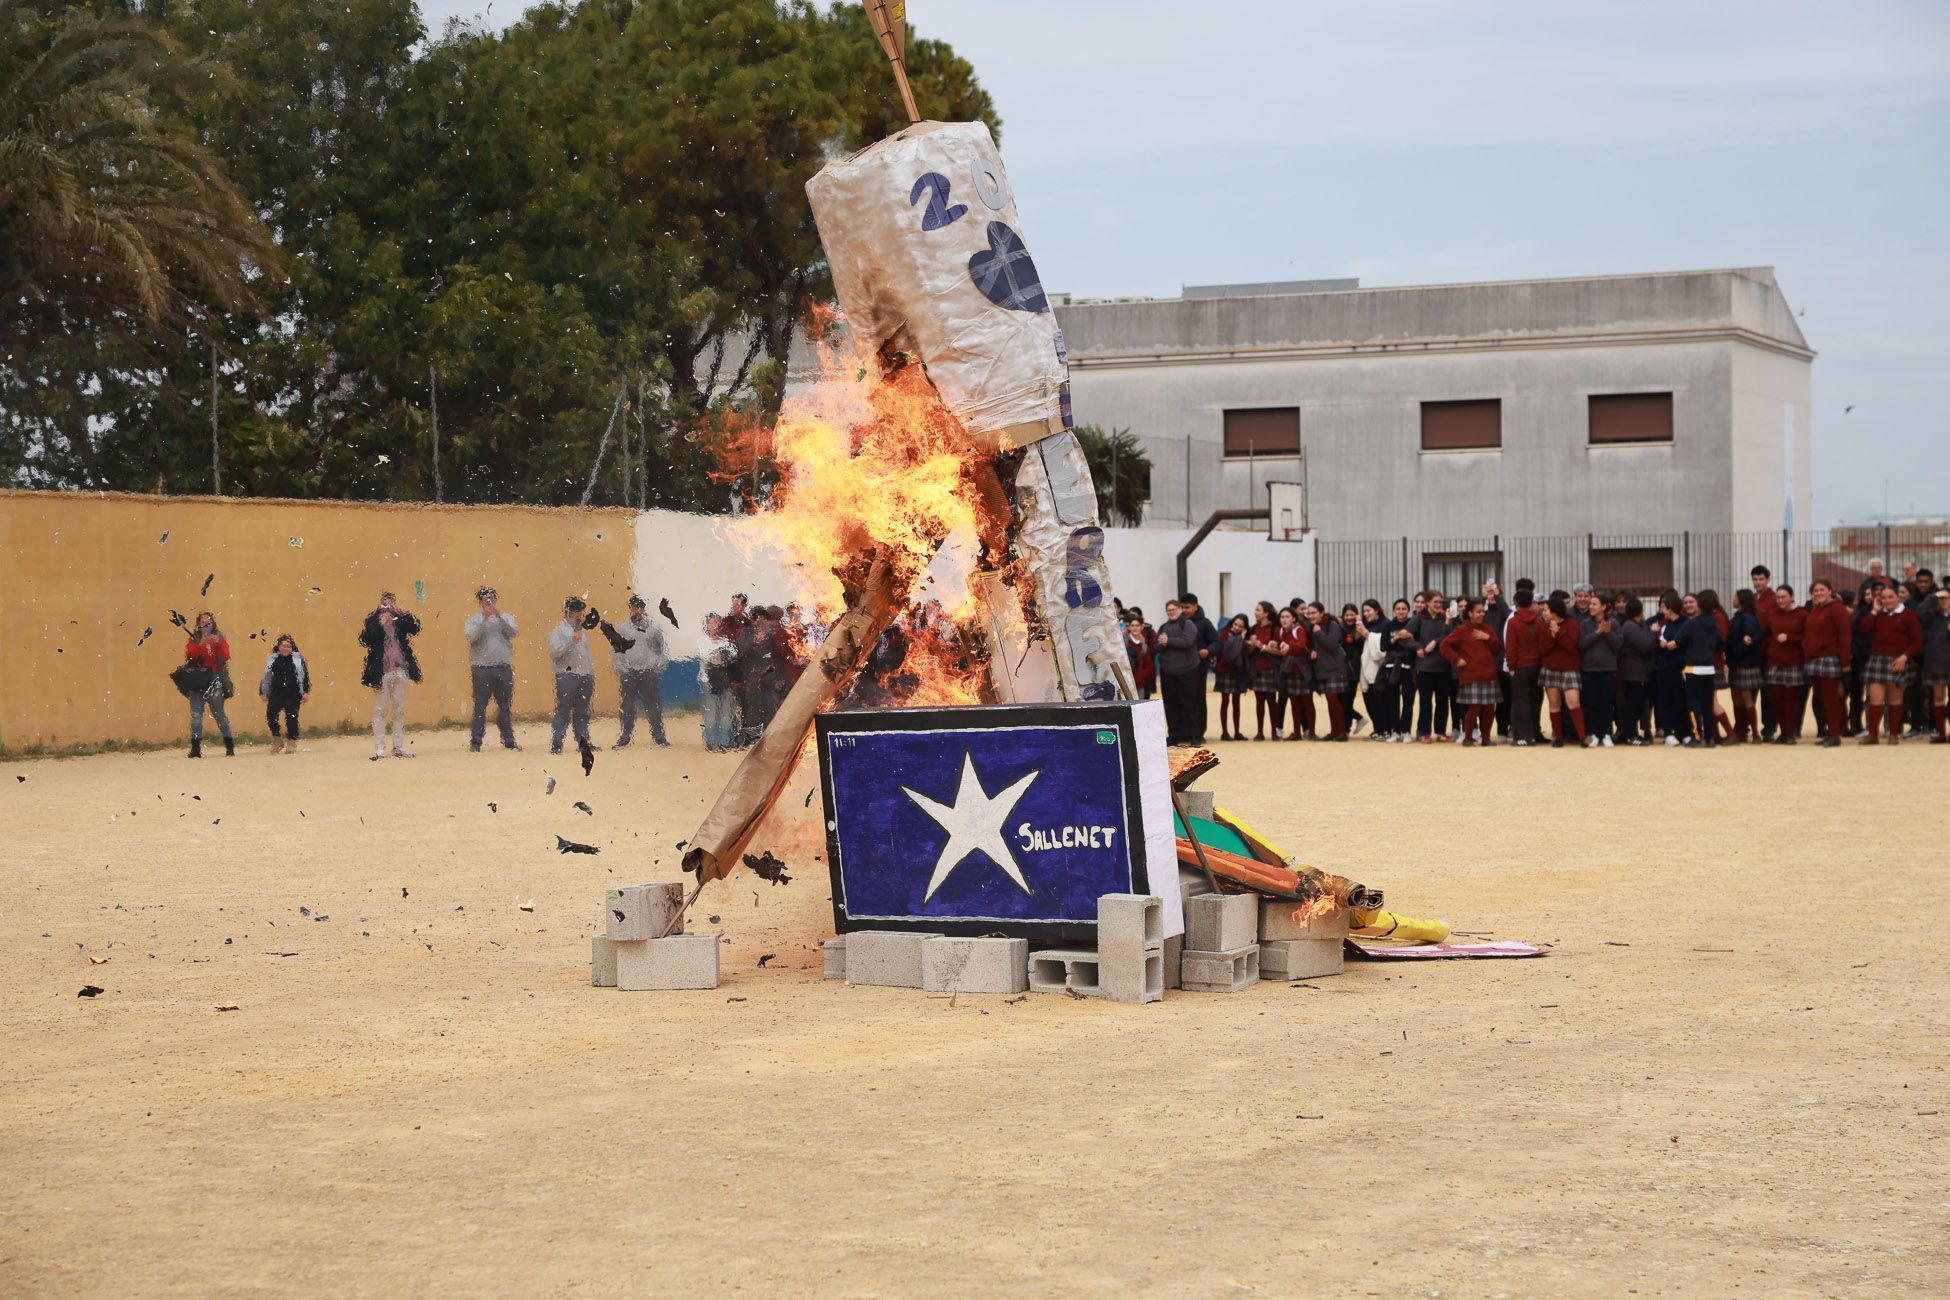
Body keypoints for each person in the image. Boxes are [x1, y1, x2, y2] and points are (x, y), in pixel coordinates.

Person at [359, 592, 421, 760]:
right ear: (380, 604)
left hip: (400, 668)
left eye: (391, 603)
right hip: (382, 671)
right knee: (380, 710)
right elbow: (364, 640)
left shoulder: (400, 619)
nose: (388, 607)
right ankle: (380, 749)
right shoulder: (372, 619)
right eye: (385, 604)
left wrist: (405, 613)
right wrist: (379, 624)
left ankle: (398, 746)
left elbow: (415, 629)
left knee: (399, 709)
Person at [1859, 583, 1923, 745]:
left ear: (1898, 597)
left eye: (1890, 597)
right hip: (1877, 661)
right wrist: (1874, 610)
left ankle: (1894, 734)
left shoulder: (1908, 615)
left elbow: (1917, 642)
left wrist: (1904, 657)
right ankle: (1873, 735)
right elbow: (1863, 628)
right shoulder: (1877, 614)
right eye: (1883, 597)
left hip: (1898, 661)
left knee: (1895, 699)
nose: (1887, 601)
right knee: (1875, 699)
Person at [607, 595, 669, 748]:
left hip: (649, 672)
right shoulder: (623, 629)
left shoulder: (654, 629)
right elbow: (617, 651)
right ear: (630, 609)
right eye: (633, 608)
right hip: (630, 673)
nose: (636, 611)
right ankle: (625, 737)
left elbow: (662, 650)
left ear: (643, 609)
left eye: (639, 608)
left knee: (653, 705)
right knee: (627, 706)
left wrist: (657, 669)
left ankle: (659, 737)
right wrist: (623, 670)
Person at [1441, 598, 1504, 746]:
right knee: (1474, 708)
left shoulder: (1488, 629)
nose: (1481, 614)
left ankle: (1486, 738)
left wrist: (1488, 638)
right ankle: (1468, 738)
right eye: (1478, 612)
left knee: (1489, 708)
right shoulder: (1462, 630)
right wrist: (1457, 659)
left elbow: (1497, 649)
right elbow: (1444, 645)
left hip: (1489, 675)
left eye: (1483, 611)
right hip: (1471, 675)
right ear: (1470, 613)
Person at [464, 586, 520, 752]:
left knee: (505, 705)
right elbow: (472, 636)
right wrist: (485, 619)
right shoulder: (473, 620)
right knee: (480, 706)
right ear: (480, 601)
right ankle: (476, 742)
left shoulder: (506, 617)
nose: (489, 601)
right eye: (485, 598)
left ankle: (508, 740)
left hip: (503, 668)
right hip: (482, 669)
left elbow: (514, 632)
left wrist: (499, 615)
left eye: (492, 598)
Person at [1801, 579, 1852, 747]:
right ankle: (1829, 732)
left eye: (1822, 589)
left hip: (1830, 658)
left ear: (1830, 591)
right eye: (1815, 591)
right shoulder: (1816, 610)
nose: (1818, 593)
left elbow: (1845, 635)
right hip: (1815, 658)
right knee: (1821, 698)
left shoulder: (1837, 609)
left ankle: (1834, 734)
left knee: (1831, 698)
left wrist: (1844, 661)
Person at [548, 597, 598, 755]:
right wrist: (571, 641)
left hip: (585, 674)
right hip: (567, 675)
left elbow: (585, 654)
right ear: (568, 611)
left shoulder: (581, 630)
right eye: (576, 611)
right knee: (563, 710)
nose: (579, 614)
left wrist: (590, 672)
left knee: (582, 711)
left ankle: (583, 743)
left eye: (580, 611)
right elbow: (554, 653)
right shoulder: (559, 630)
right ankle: (557, 744)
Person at [1156, 599, 1208, 746]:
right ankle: (1173, 735)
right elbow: (1156, 645)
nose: (1171, 612)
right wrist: (1163, 643)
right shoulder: (1163, 627)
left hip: (1188, 671)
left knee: (1190, 704)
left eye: (1173, 609)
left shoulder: (1188, 624)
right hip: (1167, 672)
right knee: (1170, 705)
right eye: (1168, 610)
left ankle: (1194, 735)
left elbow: (1187, 642)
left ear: (1179, 610)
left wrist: (1168, 641)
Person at [182, 610, 234, 758]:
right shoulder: (194, 639)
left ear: (213, 624)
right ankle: (195, 748)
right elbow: (190, 656)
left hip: (215, 679)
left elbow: (225, 656)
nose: (205, 625)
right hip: (198, 680)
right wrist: (200, 645)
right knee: (196, 715)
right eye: (202, 623)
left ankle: (229, 746)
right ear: (198, 624)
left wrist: (217, 644)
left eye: (208, 623)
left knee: (219, 714)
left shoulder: (219, 637)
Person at [1761, 585, 1808, 744]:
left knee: (1791, 699)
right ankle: (1782, 732)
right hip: (1774, 662)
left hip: (1794, 662)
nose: (1780, 600)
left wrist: (1790, 638)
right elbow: (1766, 634)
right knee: (1777, 699)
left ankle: (1790, 733)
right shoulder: (1773, 614)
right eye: (1778, 597)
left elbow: (1807, 638)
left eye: (1784, 597)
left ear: (1792, 596)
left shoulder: (1802, 614)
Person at [1675, 593, 1724, 747]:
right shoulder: (1715, 623)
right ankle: (1709, 737)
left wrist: (1688, 649)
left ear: (1699, 607)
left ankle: (1697, 735)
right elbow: (1721, 643)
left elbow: (1678, 639)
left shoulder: (1692, 623)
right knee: (1707, 704)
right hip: (1709, 668)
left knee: (1693, 704)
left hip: (1693, 668)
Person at [1576, 586, 1620, 749]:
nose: (1591, 606)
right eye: (1591, 604)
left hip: (1608, 669)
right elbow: (1581, 645)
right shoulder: (1585, 624)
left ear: (1604, 606)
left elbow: (1618, 646)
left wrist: (1608, 632)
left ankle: (1607, 734)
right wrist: (1598, 633)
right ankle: (1593, 734)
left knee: (1607, 703)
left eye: (1594, 604)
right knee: (1591, 703)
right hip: (1589, 670)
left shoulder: (1613, 623)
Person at [1540, 592, 1585, 748]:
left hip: (1569, 668)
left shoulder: (1572, 624)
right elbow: (1543, 650)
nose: (1544, 612)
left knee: (1574, 702)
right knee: (1554, 703)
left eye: (1546, 610)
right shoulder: (1543, 626)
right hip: (1550, 668)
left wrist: (1558, 633)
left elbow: (1570, 645)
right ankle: (1558, 737)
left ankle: (1582, 736)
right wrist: (1552, 638)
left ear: (1554, 611)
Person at [1502, 588, 1546, 746]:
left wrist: (1511, 666)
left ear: (1515, 603)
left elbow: (1511, 647)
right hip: (1537, 665)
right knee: (1535, 700)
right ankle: (1534, 734)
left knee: (1520, 701)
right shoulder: (1539, 621)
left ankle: (1522, 736)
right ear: (1531, 603)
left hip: (1520, 666)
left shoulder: (1513, 622)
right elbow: (1544, 644)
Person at [1408, 592, 1453, 744]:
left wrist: (1435, 641)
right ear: (1427, 603)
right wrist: (1417, 647)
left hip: (1443, 667)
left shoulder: (1445, 619)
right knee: (1425, 702)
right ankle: (1424, 732)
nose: (1438, 604)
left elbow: (1449, 637)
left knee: (1442, 702)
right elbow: (1406, 637)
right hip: (1424, 668)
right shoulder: (1418, 618)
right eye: (1435, 602)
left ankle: (1440, 731)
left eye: (1440, 602)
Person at [258, 634, 310, 755]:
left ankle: (291, 742)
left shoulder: (298, 660)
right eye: (283, 646)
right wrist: (263, 692)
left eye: (288, 646)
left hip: (293, 694)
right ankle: (277, 739)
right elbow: (266, 677)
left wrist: (305, 692)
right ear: (278, 646)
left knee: (291, 718)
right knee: (271, 716)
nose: (285, 648)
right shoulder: (273, 659)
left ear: (292, 648)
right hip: (276, 693)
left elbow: (305, 677)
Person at [1308, 602, 1351, 740]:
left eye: (1314, 612)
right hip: (1322, 668)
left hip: (1335, 668)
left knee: (1334, 700)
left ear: (1321, 613)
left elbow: (1333, 644)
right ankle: (1334, 732)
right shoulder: (1313, 627)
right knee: (1329, 701)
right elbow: (1315, 645)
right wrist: (1313, 651)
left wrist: (1318, 633)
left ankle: (1342, 732)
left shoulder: (1331, 625)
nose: (1311, 615)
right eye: (1309, 613)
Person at [1726, 589, 1765, 743]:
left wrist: (1738, 649)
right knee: (1737, 698)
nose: (1733, 599)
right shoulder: (1740, 616)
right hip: (1737, 662)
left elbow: (1753, 638)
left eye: (1735, 596)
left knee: (1746, 698)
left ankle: (1754, 733)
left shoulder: (1747, 617)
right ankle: (1740, 731)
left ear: (1741, 600)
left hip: (1745, 662)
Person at [1650, 592, 1689, 745]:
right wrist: (1660, 644)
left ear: (1670, 608)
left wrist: (1677, 644)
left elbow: (1688, 643)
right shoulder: (1664, 626)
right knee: (1664, 701)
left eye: (1663, 607)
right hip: (1664, 669)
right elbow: (1659, 643)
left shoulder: (1686, 624)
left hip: (1680, 668)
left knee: (1681, 701)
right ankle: (1668, 732)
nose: (1662, 610)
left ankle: (1684, 731)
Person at [1615, 597, 1655, 745]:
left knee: (1635, 704)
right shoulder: (1630, 626)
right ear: (1641, 610)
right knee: (1633, 705)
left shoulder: (1636, 624)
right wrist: (1654, 633)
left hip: (1638, 671)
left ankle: (1631, 734)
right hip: (1635, 672)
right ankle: (1631, 735)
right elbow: (1645, 645)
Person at [1243, 602, 1284, 741]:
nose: (1255, 612)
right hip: (1257, 668)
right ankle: (1260, 731)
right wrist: (1250, 644)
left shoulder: (1275, 629)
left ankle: (1274, 732)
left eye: (1258, 610)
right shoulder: (1253, 629)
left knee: (1272, 701)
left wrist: (1260, 645)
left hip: (1270, 667)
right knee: (1259, 701)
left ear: (1266, 613)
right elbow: (1248, 652)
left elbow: (1280, 651)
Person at [697, 613, 737, 752]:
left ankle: (724, 742)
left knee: (726, 712)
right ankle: (711, 741)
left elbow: (732, 656)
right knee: (711, 712)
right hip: (708, 679)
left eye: (716, 622)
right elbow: (706, 657)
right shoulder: (702, 640)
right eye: (710, 622)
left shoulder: (726, 641)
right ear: (706, 625)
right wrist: (719, 654)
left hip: (725, 679)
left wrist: (720, 654)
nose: (713, 625)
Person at [1749, 565, 1778, 739]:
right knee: (1749, 692)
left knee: (1768, 694)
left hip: (1767, 653)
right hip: (1751, 653)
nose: (1758, 582)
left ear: (1768, 580)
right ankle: (1749, 728)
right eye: (1755, 579)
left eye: (1761, 579)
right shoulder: (1751, 599)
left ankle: (1769, 729)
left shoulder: (1774, 600)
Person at [1277, 605, 1315, 740]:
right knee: (1294, 703)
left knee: (1307, 701)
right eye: (1282, 617)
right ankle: (1297, 732)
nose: (1284, 619)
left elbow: (1301, 645)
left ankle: (1311, 732)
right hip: (1290, 671)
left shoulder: (1299, 630)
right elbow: (1281, 649)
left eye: (1287, 617)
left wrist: (1289, 647)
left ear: (1293, 619)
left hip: (1302, 671)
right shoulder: (1281, 631)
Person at [1919, 587, 1950, 742]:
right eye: (1940, 598)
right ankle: (1942, 734)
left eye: (1945, 598)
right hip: (1936, 662)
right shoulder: (1931, 616)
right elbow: (1919, 614)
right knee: (1938, 697)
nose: (1942, 601)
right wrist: (1932, 598)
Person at [1212, 614, 1250, 741]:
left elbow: (1245, 651)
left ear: (1244, 627)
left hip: (1237, 671)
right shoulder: (1224, 634)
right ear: (1232, 623)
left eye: (1240, 626)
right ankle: (1224, 732)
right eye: (1235, 624)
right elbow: (1229, 651)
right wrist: (1241, 639)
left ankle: (1237, 732)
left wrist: (1244, 640)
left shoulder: (1244, 637)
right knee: (1225, 701)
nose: (1237, 627)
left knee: (1236, 702)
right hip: (1224, 670)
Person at [1358, 600, 1392, 741]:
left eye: (1369, 610)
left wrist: (1367, 634)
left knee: (1382, 701)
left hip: (1380, 669)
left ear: (1377, 610)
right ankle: (1377, 729)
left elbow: (1383, 648)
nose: (1366, 614)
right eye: (1364, 611)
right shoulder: (1366, 626)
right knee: (1370, 701)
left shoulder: (1385, 624)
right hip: (1365, 669)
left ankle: (1387, 730)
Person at [1339, 603, 1367, 735]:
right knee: (1341, 700)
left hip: (1354, 670)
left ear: (1357, 615)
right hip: (1341, 670)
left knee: (1347, 700)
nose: (1349, 617)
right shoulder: (1340, 628)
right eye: (1347, 615)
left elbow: (1362, 647)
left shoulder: (1360, 629)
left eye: (1352, 614)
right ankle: (1356, 719)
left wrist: (1359, 628)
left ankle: (1346, 728)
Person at [1123, 608, 1157, 700]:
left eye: (1137, 625)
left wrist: (1142, 676)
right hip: (1126, 684)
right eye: (1132, 625)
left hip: (1140, 684)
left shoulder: (1144, 645)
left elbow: (1149, 665)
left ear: (1142, 627)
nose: (1135, 628)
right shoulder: (1124, 643)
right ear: (1129, 627)